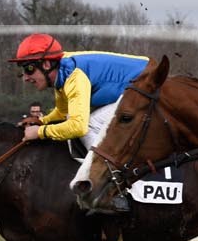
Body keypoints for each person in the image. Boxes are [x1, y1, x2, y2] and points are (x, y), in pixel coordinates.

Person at [11, 34, 150, 212]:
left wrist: (39, 132)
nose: (25, 77)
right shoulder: (61, 74)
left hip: (147, 85)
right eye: (22, 70)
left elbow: (78, 127)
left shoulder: (74, 77)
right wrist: (41, 121)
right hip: (138, 85)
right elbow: (62, 112)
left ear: (46, 64)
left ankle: (114, 189)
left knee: (90, 124)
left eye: (29, 69)